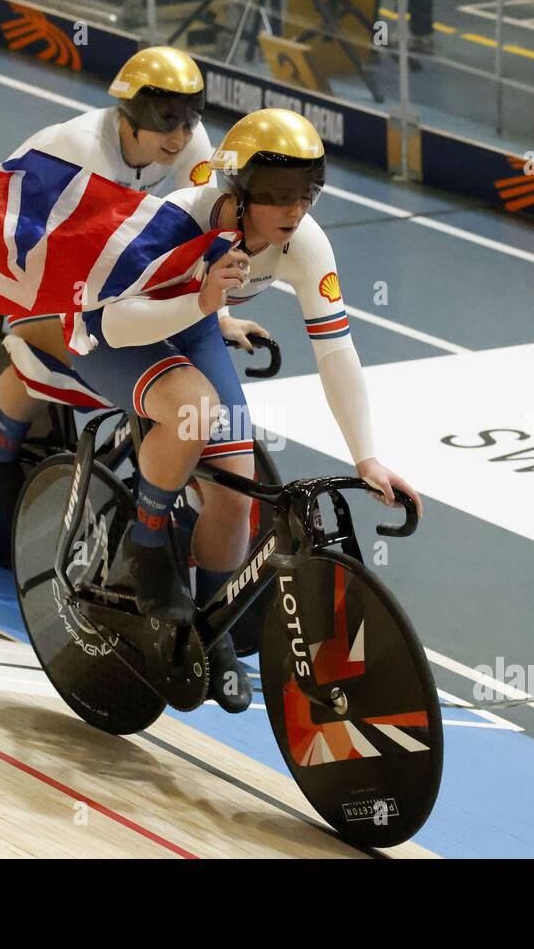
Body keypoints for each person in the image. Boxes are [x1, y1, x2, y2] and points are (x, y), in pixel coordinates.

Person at [71, 108, 425, 713]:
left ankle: (212, 638)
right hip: (110, 327)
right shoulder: (176, 221)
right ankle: (146, 544)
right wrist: (205, 300)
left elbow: (336, 351)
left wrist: (365, 456)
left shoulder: (304, 242)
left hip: (196, 322)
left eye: (308, 194)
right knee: (194, 409)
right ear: (236, 191)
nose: (295, 211)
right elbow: (114, 319)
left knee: (237, 493)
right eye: (280, 197)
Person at [0, 46, 268, 507]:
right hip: (30, 261)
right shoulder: (82, 151)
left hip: (109, 263)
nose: (179, 136)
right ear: (131, 116)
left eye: (190, 119)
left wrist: (219, 315)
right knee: (60, 351)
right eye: (165, 120)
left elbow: (203, 233)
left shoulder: (189, 144)